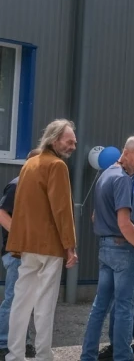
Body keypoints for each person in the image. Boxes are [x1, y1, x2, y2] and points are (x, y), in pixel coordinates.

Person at [6, 121, 77, 361]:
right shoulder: (57, 166)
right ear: (55, 139)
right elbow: (62, 210)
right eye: (70, 141)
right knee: (44, 306)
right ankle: (43, 355)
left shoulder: (30, 164)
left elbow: (20, 208)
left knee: (21, 302)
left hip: (26, 245)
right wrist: (70, 246)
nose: (73, 145)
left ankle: (14, 354)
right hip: (49, 246)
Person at [81, 136, 134, 361]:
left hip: (105, 248)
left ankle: (87, 356)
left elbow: (95, 216)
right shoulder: (122, 179)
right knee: (124, 309)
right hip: (124, 251)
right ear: (126, 152)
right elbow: (124, 223)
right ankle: (122, 357)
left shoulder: (105, 175)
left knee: (99, 307)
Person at [0, 151, 39, 361]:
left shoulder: (33, 185)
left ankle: (23, 342)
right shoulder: (17, 184)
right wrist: (20, 239)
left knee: (26, 300)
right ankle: (4, 342)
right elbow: (1, 213)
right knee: (14, 299)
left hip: (27, 253)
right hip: (15, 254)